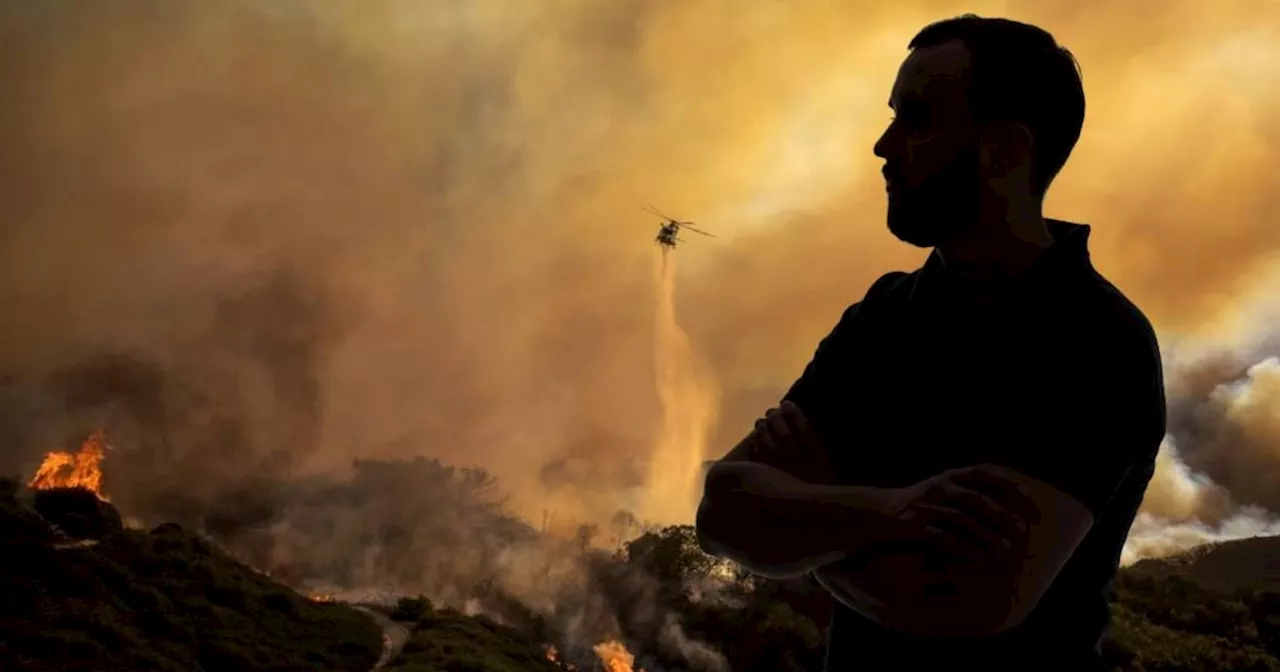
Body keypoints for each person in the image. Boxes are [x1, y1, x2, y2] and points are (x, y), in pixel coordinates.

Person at [695, 14, 1167, 671]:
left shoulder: (1096, 339)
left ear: (1003, 150)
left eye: (915, 119)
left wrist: (803, 526)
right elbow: (722, 509)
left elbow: (964, 600)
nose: (883, 146)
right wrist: (893, 513)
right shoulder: (884, 312)